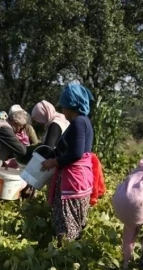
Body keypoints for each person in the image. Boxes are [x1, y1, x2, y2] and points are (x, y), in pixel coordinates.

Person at [40, 84, 96, 242]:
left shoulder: (78, 122)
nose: (62, 110)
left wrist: (55, 162)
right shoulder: (84, 121)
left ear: (71, 106)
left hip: (72, 182)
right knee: (75, 226)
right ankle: (74, 258)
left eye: (63, 106)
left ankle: (66, 259)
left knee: (67, 228)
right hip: (80, 180)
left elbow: (77, 153)